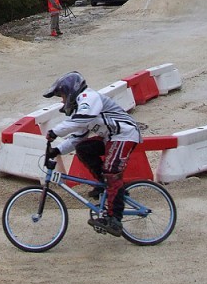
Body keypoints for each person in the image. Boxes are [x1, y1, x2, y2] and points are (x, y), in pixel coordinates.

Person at [43, 71, 142, 237]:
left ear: (70, 91)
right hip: (111, 138)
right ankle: (106, 185)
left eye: (62, 96)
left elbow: (82, 118)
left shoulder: (89, 97)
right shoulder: (81, 109)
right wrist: (57, 150)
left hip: (124, 134)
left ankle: (115, 219)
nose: (62, 101)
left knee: (112, 171)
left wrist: (55, 131)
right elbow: (77, 137)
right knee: (83, 148)